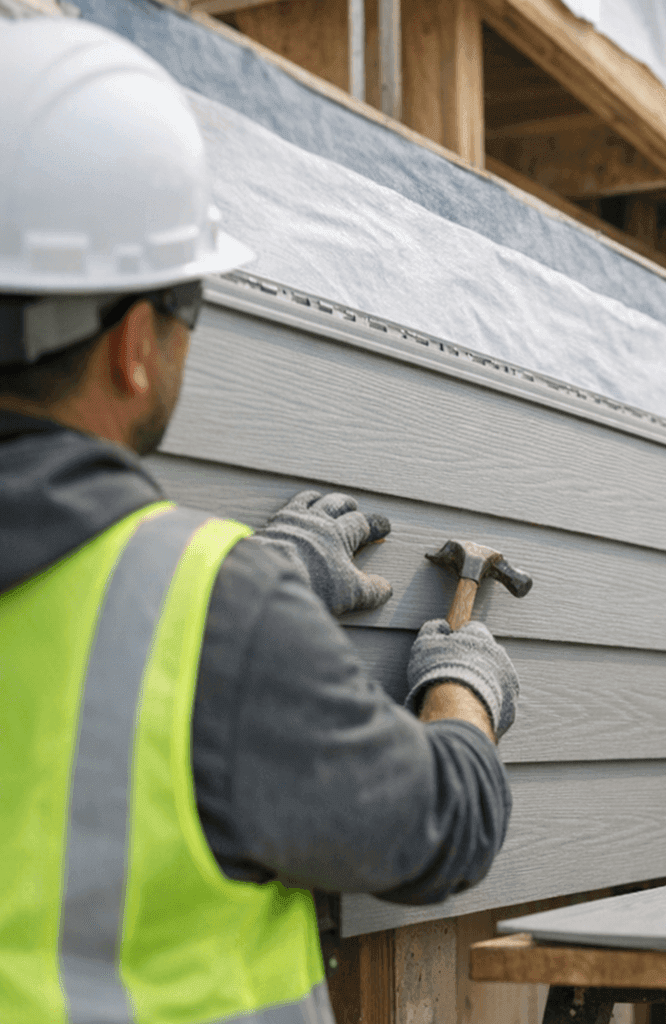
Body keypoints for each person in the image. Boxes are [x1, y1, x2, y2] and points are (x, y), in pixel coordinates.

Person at [0, 20, 517, 1023]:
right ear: (136, 343)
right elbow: (442, 829)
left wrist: (241, 584)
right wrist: (464, 689)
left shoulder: (216, 604)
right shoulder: (214, 618)